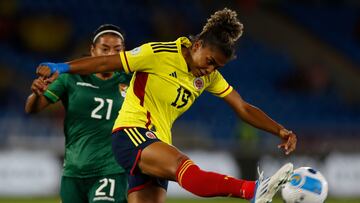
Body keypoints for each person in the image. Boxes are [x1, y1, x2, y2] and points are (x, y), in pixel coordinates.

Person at [36, 8, 297, 203]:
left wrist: (279, 130)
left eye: (217, 67)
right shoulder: (157, 54)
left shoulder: (207, 76)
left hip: (156, 141)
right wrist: (62, 67)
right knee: (186, 169)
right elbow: (106, 63)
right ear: (196, 46)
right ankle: (252, 191)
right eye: (210, 61)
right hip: (131, 134)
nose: (211, 69)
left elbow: (242, 107)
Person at [26, 24, 131, 203]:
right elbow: (32, 108)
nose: (110, 54)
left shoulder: (132, 81)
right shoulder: (70, 77)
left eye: (117, 49)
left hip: (112, 170)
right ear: (92, 50)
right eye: (104, 49)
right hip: (73, 171)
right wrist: (37, 94)